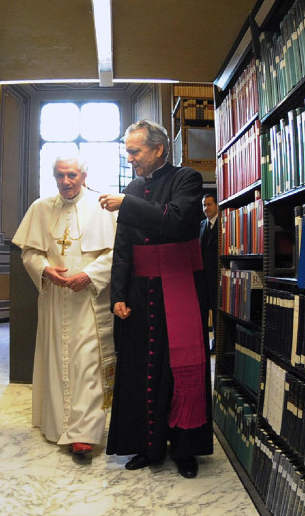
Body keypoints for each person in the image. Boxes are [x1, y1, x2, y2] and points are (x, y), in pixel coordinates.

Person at [98, 120, 212, 478]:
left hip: (179, 286)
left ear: (158, 149)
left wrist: (126, 203)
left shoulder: (187, 178)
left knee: (180, 371)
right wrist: (117, 294)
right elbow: (123, 248)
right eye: (127, 152)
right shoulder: (133, 186)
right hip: (140, 291)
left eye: (135, 151)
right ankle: (148, 446)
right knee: (140, 368)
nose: (130, 158)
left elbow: (175, 221)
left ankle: (184, 450)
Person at [12, 156, 118, 462]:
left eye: (71, 175)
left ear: (84, 175)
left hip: (89, 300)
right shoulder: (41, 208)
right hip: (55, 300)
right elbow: (30, 252)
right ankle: (57, 424)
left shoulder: (103, 208)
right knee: (57, 360)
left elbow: (116, 253)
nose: (66, 181)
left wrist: (89, 274)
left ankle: (84, 434)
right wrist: (45, 270)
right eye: (60, 175)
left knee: (87, 364)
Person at [200, 193, 220, 342]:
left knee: (218, 315)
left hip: (218, 279)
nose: (206, 208)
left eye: (209, 204)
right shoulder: (201, 226)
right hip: (202, 279)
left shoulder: (224, 224)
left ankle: (217, 343)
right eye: (204, 205)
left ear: (216, 205)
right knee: (202, 314)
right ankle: (203, 345)